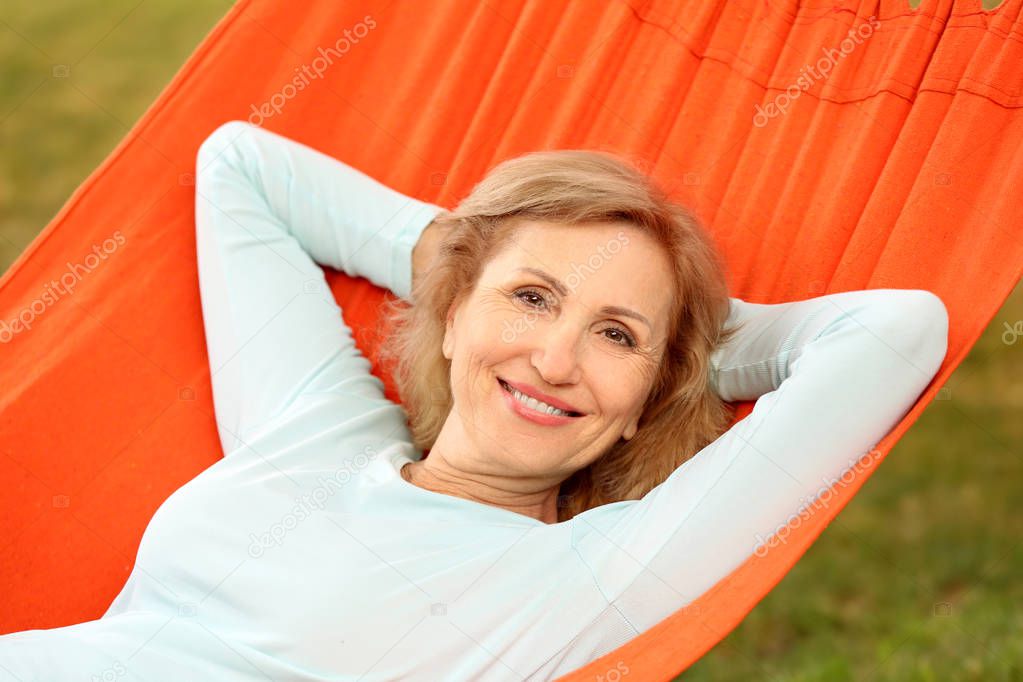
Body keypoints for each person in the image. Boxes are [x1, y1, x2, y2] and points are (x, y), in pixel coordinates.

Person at [0, 121, 949, 681]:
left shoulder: (586, 578)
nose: (554, 358)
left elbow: (895, 333)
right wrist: (475, 255)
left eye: (613, 337)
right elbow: (242, 166)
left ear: (644, 400)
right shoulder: (318, 426)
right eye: (531, 300)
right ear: (448, 315)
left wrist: (685, 337)